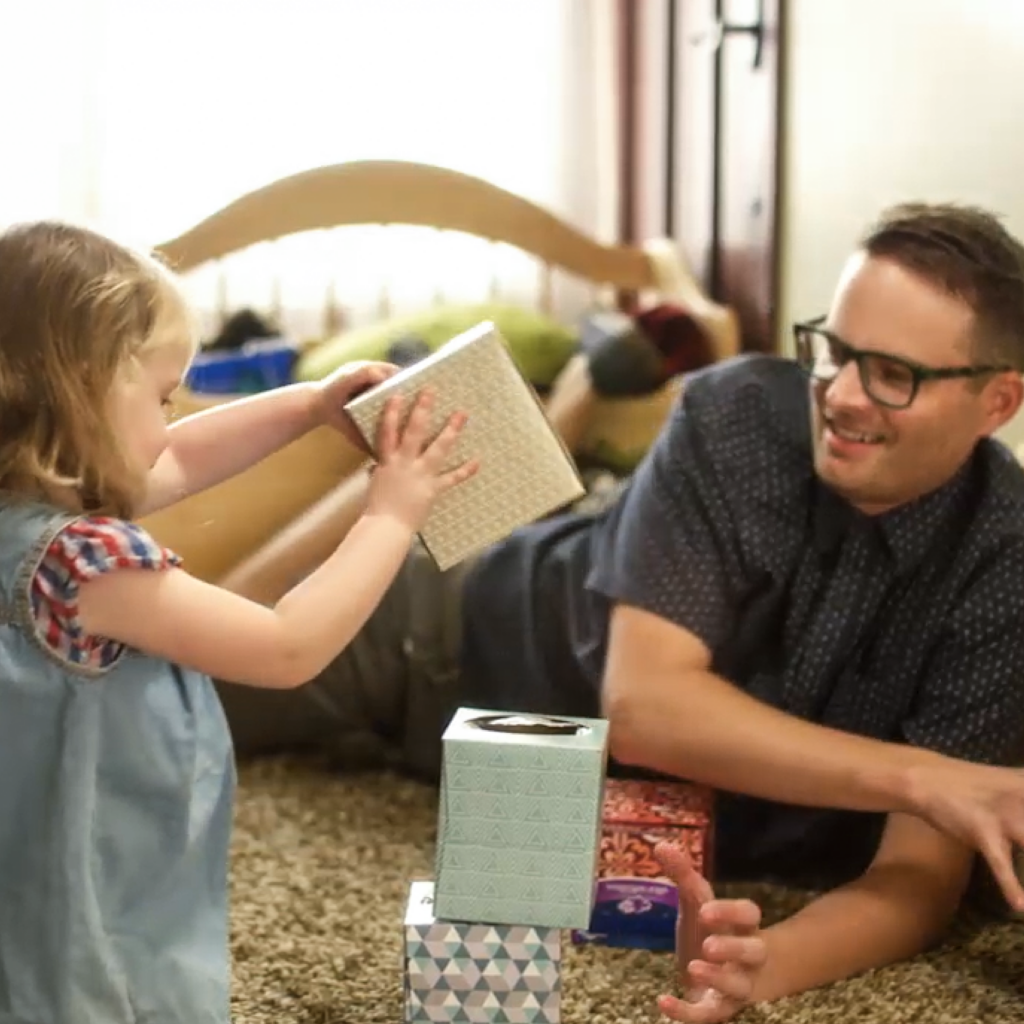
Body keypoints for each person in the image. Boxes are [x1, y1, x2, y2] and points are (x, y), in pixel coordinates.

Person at [215, 201, 1024, 1021]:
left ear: (998, 402)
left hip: (554, 799)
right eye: (834, 352)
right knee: (175, 687)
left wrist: (767, 962)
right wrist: (921, 777)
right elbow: (647, 712)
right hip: (449, 638)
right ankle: (393, 478)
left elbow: (921, 875)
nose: (842, 396)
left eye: (894, 375)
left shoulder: (1004, 560)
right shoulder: (734, 415)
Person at [0, 221, 479, 1024]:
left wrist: (310, 405)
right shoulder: (86, 564)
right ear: (83, 390)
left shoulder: (26, 511)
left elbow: (178, 459)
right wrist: (391, 516)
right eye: (161, 397)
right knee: (108, 971)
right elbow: (288, 647)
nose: (170, 420)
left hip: (29, 833)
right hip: (95, 850)